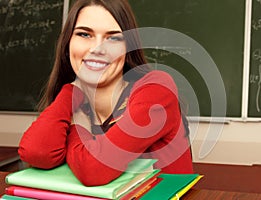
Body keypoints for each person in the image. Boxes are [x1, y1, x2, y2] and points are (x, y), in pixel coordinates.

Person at [18, 0, 193, 186]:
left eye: (113, 38)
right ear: (68, 44)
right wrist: (70, 93)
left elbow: (92, 169)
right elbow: (37, 153)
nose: (97, 49)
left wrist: (77, 124)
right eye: (84, 34)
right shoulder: (74, 102)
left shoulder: (156, 90)